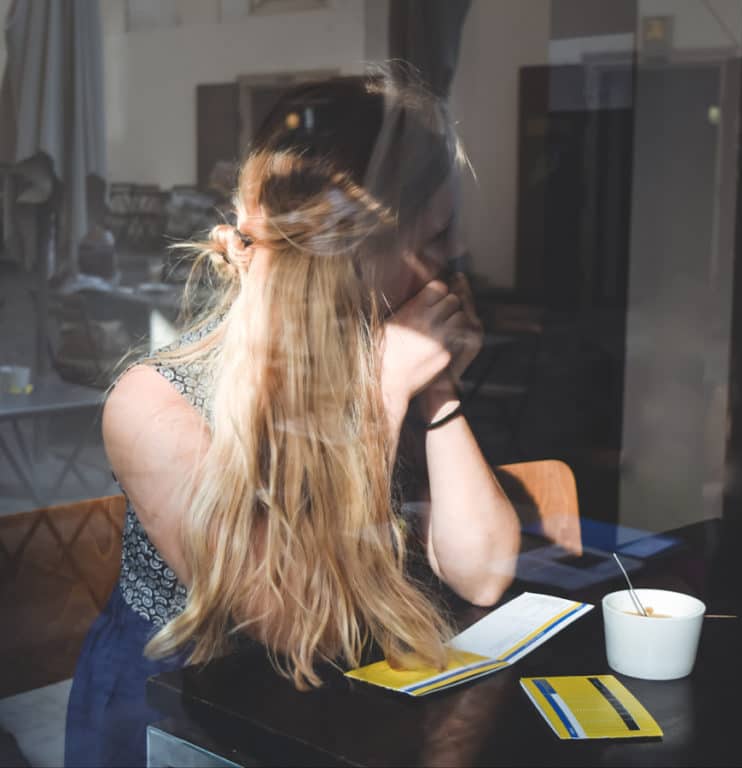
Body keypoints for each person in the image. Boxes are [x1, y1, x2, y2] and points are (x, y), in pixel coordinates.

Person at [64, 71, 521, 767]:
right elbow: (289, 618)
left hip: (327, 706)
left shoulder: (383, 358)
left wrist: (437, 390)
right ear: (355, 256)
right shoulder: (157, 402)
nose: (451, 262)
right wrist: (387, 389)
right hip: (183, 716)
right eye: (433, 238)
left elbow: (484, 572)